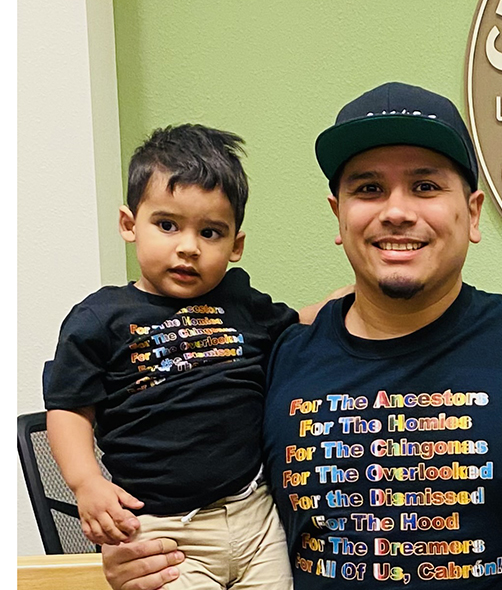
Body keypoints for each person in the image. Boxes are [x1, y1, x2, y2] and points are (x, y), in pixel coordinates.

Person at [102, 82, 502, 590]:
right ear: (338, 216)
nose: (395, 211)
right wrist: (144, 556)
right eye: (368, 189)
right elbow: (191, 490)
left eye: (425, 187)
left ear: (472, 213)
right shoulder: (275, 361)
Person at [45, 124, 307, 589]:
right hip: (163, 533)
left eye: (210, 232)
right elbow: (68, 407)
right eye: (167, 225)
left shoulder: (240, 301)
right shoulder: (99, 318)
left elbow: (297, 329)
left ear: (236, 246)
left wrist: (350, 300)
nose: (188, 246)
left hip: (255, 515)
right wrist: (86, 483)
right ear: (129, 224)